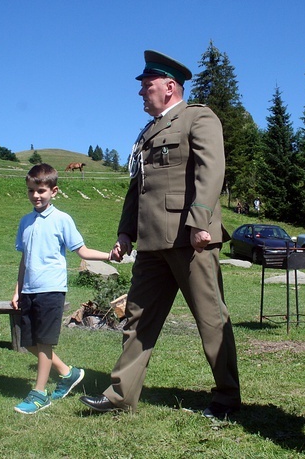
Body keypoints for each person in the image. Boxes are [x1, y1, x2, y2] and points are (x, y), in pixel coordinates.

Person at [80, 50, 241, 419]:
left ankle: (227, 397)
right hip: (152, 244)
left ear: (170, 87)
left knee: (211, 318)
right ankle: (120, 394)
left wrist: (201, 220)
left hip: (190, 238)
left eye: (146, 85)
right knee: (138, 319)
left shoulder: (197, 117)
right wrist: (125, 233)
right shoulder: (147, 133)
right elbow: (138, 188)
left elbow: (211, 170)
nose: (140, 92)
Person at [11, 163, 117, 414]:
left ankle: (39, 394)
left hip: (51, 289)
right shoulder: (25, 222)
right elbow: (24, 259)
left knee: (44, 342)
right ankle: (68, 374)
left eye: (41, 191)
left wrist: (109, 256)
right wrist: (17, 289)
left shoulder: (62, 220)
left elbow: (81, 251)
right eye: (31, 191)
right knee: (29, 342)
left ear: (54, 191)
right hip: (28, 290)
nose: (36, 195)